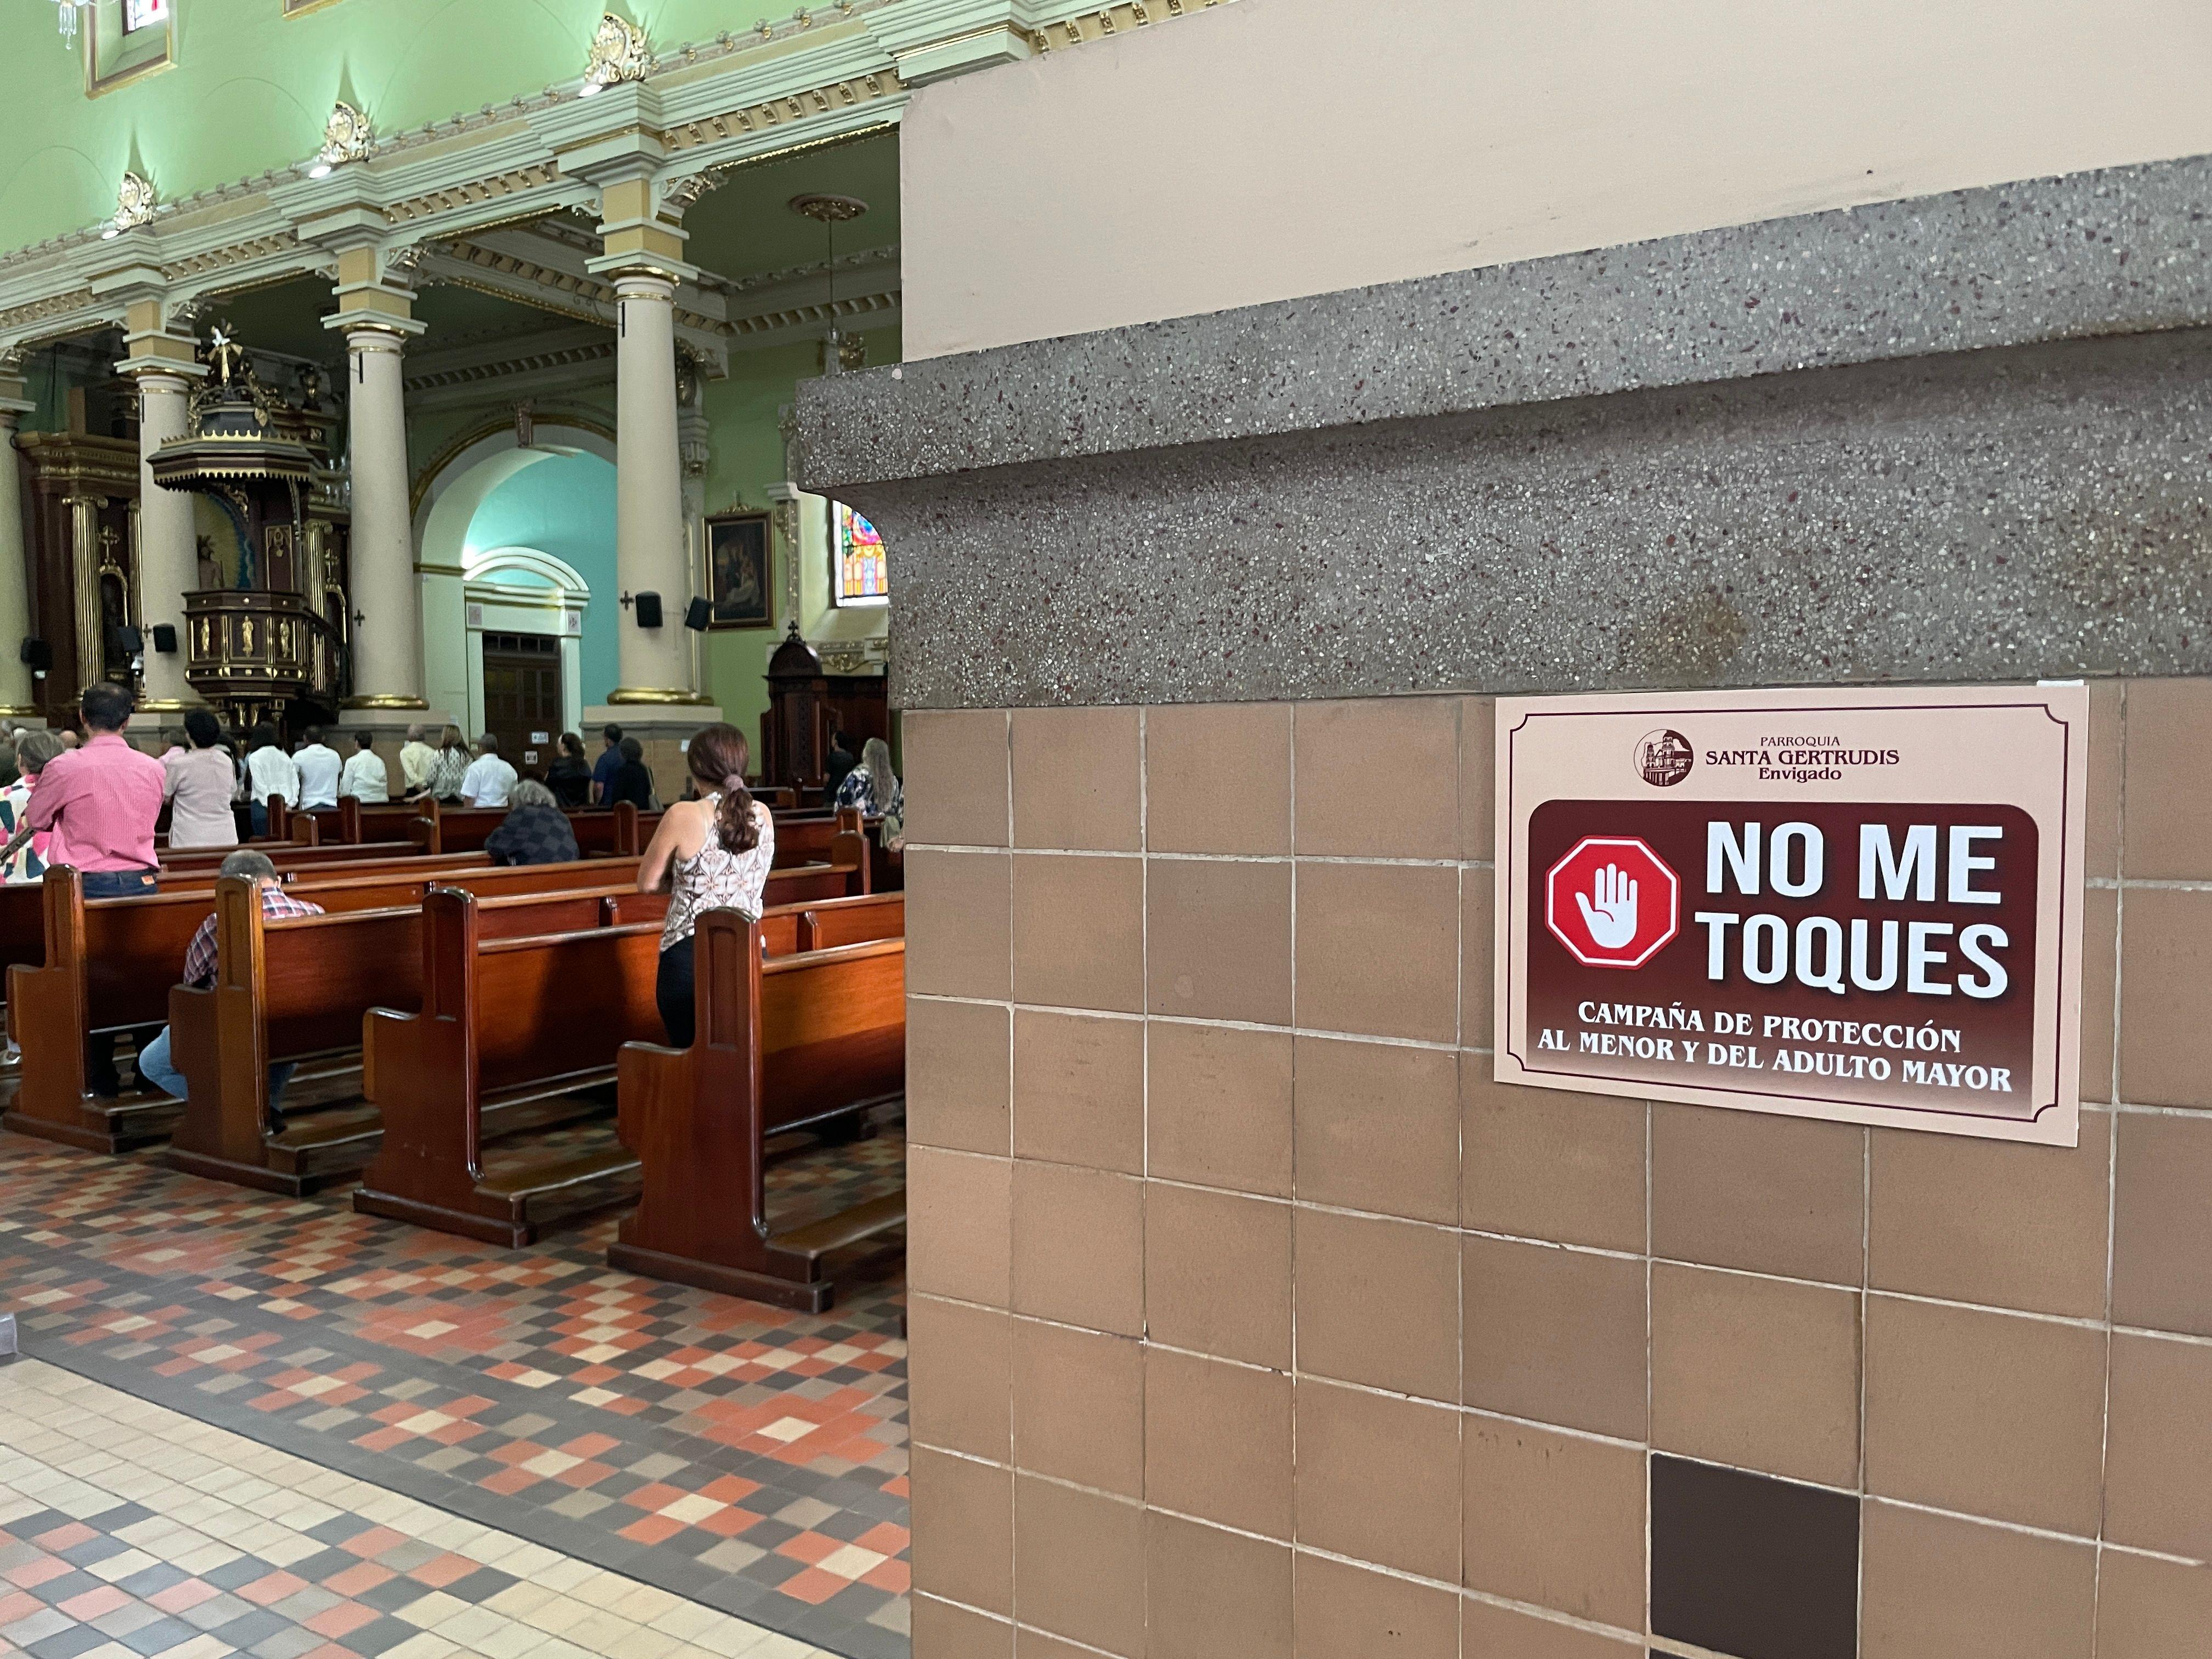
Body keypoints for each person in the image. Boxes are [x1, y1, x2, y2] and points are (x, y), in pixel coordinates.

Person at [0, 685, 165, 1096]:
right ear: (128, 720)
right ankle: (149, 1073)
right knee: (138, 977)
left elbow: (37, 818)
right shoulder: (153, 767)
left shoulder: (67, 767)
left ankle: (99, 1078)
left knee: (87, 980)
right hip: (143, 882)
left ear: (83, 717)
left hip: (84, 884)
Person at [134, 849, 323, 1132]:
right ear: (278, 881)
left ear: (225, 889)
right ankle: (266, 1108)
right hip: (300, 1022)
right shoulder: (314, 912)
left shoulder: (217, 924)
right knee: (278, 1040)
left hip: (236, 1024)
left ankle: (239, 1108)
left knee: (152, 1062)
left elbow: (191, 981)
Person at [637, 724, 775, 1047]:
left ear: (697, 770)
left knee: (692, 1057)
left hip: (690, 954)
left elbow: (647, 882)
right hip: (751, 948)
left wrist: (686, 881)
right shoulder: (764, 814)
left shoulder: (684, 814)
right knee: (741, 1056)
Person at [163, 709, 240, 850]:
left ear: (189, 735)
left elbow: (166, 796)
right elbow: (232, 792)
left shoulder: (179, 763)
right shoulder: (226, 761)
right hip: (225, 834)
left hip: (190, 836)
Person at [0, 730, 65, 884]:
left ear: (20, 760)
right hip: (58, 885)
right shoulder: (69, 798)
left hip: (7, 888)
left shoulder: (3, 797)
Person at [483, 778, 579, 866]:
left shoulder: (522, 815)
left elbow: (493, 846)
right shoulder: (561, 817)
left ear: (518, 800)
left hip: (537, 879)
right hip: (571, 875)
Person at [242, 724, 300, 837]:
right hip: (286, 807)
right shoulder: (285, 757)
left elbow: (260, 785)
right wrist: (291, 803)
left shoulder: (254, 757)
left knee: (263, 843)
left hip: (261, 808)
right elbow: (295, 784)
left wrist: (270, 805)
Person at [834, 735, 904, 823]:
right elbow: (897, 811)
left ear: (866, 753)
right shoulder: (893, 781)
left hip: (860, 828)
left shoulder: (858, 776)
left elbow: (841, 805)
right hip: (886, 831)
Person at [460, 732, 517, 808]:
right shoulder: (509, 768)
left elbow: (469, 798)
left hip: (480, 814)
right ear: (496, 747)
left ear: (480, 748)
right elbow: (514, 797)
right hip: (503, 814)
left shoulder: (475, 768)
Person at [293, 725, 341, 810]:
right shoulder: (335, 755)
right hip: (332, 806)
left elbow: (293, 781)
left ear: (305, 738)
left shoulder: (299, 756)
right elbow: (339, 776)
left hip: (309, 805)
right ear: (323, 738)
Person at [606, 736, 656, 810]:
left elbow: (617, 798)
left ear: (624, 753)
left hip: (628, 814)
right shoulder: (646, 770)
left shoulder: (622, 771)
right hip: (644, 813)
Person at [544, 732, 593, 809]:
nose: (557, 746)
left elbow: (547, 787)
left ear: (563, 746)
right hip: (581, 811)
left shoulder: (557, 766)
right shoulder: (584, 765)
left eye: (558, 744)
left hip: (561, 811)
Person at [339, 730, 389, 802]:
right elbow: (384, 783)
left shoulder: (351, 762)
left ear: (356, 743)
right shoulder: (380, 761)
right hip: (381, 801)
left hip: (360, 802)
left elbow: (346, 790)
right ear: (371, 744)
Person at [427, 726, 470, 803]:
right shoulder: (466, 755)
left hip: (441, 797)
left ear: (444, 736)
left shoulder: (439, 754)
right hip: (460, 797)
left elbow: (431, 778)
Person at [399, 722, 439, 800]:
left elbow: (411, 775)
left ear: (411, 735)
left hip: (414, 791)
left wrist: (422, 791)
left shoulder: (405, 752)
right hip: (430, 789)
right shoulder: (433, 751)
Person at [590, 723, 624, 804]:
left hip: (608, 804)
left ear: (608, 739)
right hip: (626, 804)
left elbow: (599, 786)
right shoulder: (627, 756)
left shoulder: (605, 759)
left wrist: (596, 804)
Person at [821, 730, 858, 805]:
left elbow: (826, 778)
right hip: (846, 795)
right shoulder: (850, 758)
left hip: (832, 796)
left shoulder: (832, 757)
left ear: (835, 742)